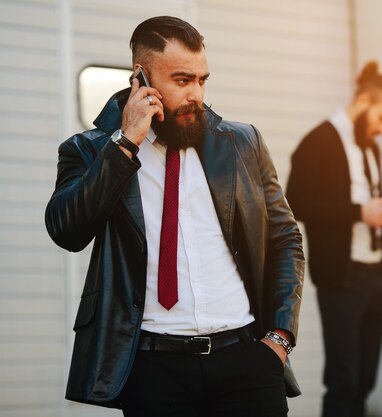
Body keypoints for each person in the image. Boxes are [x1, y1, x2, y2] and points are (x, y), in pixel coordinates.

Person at [45, 15, 304, 417]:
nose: (196, 94)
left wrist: (280, 339)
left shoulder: (242, 143)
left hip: (246, 362)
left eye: (202, 80)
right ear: (141, 77)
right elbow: (67, 230)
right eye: (182, 80)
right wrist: (124, 144)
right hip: (153, 369)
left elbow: (285, 238)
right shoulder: (90, 150)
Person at [285, 61, 382, 417]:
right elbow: (295, 202)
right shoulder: (318, 142)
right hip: (341, 280)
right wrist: (360, 212)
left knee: (365, 382)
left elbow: (364, 208)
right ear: (363, 101)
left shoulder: (370, 147)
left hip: (376, 276)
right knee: (343, 381)